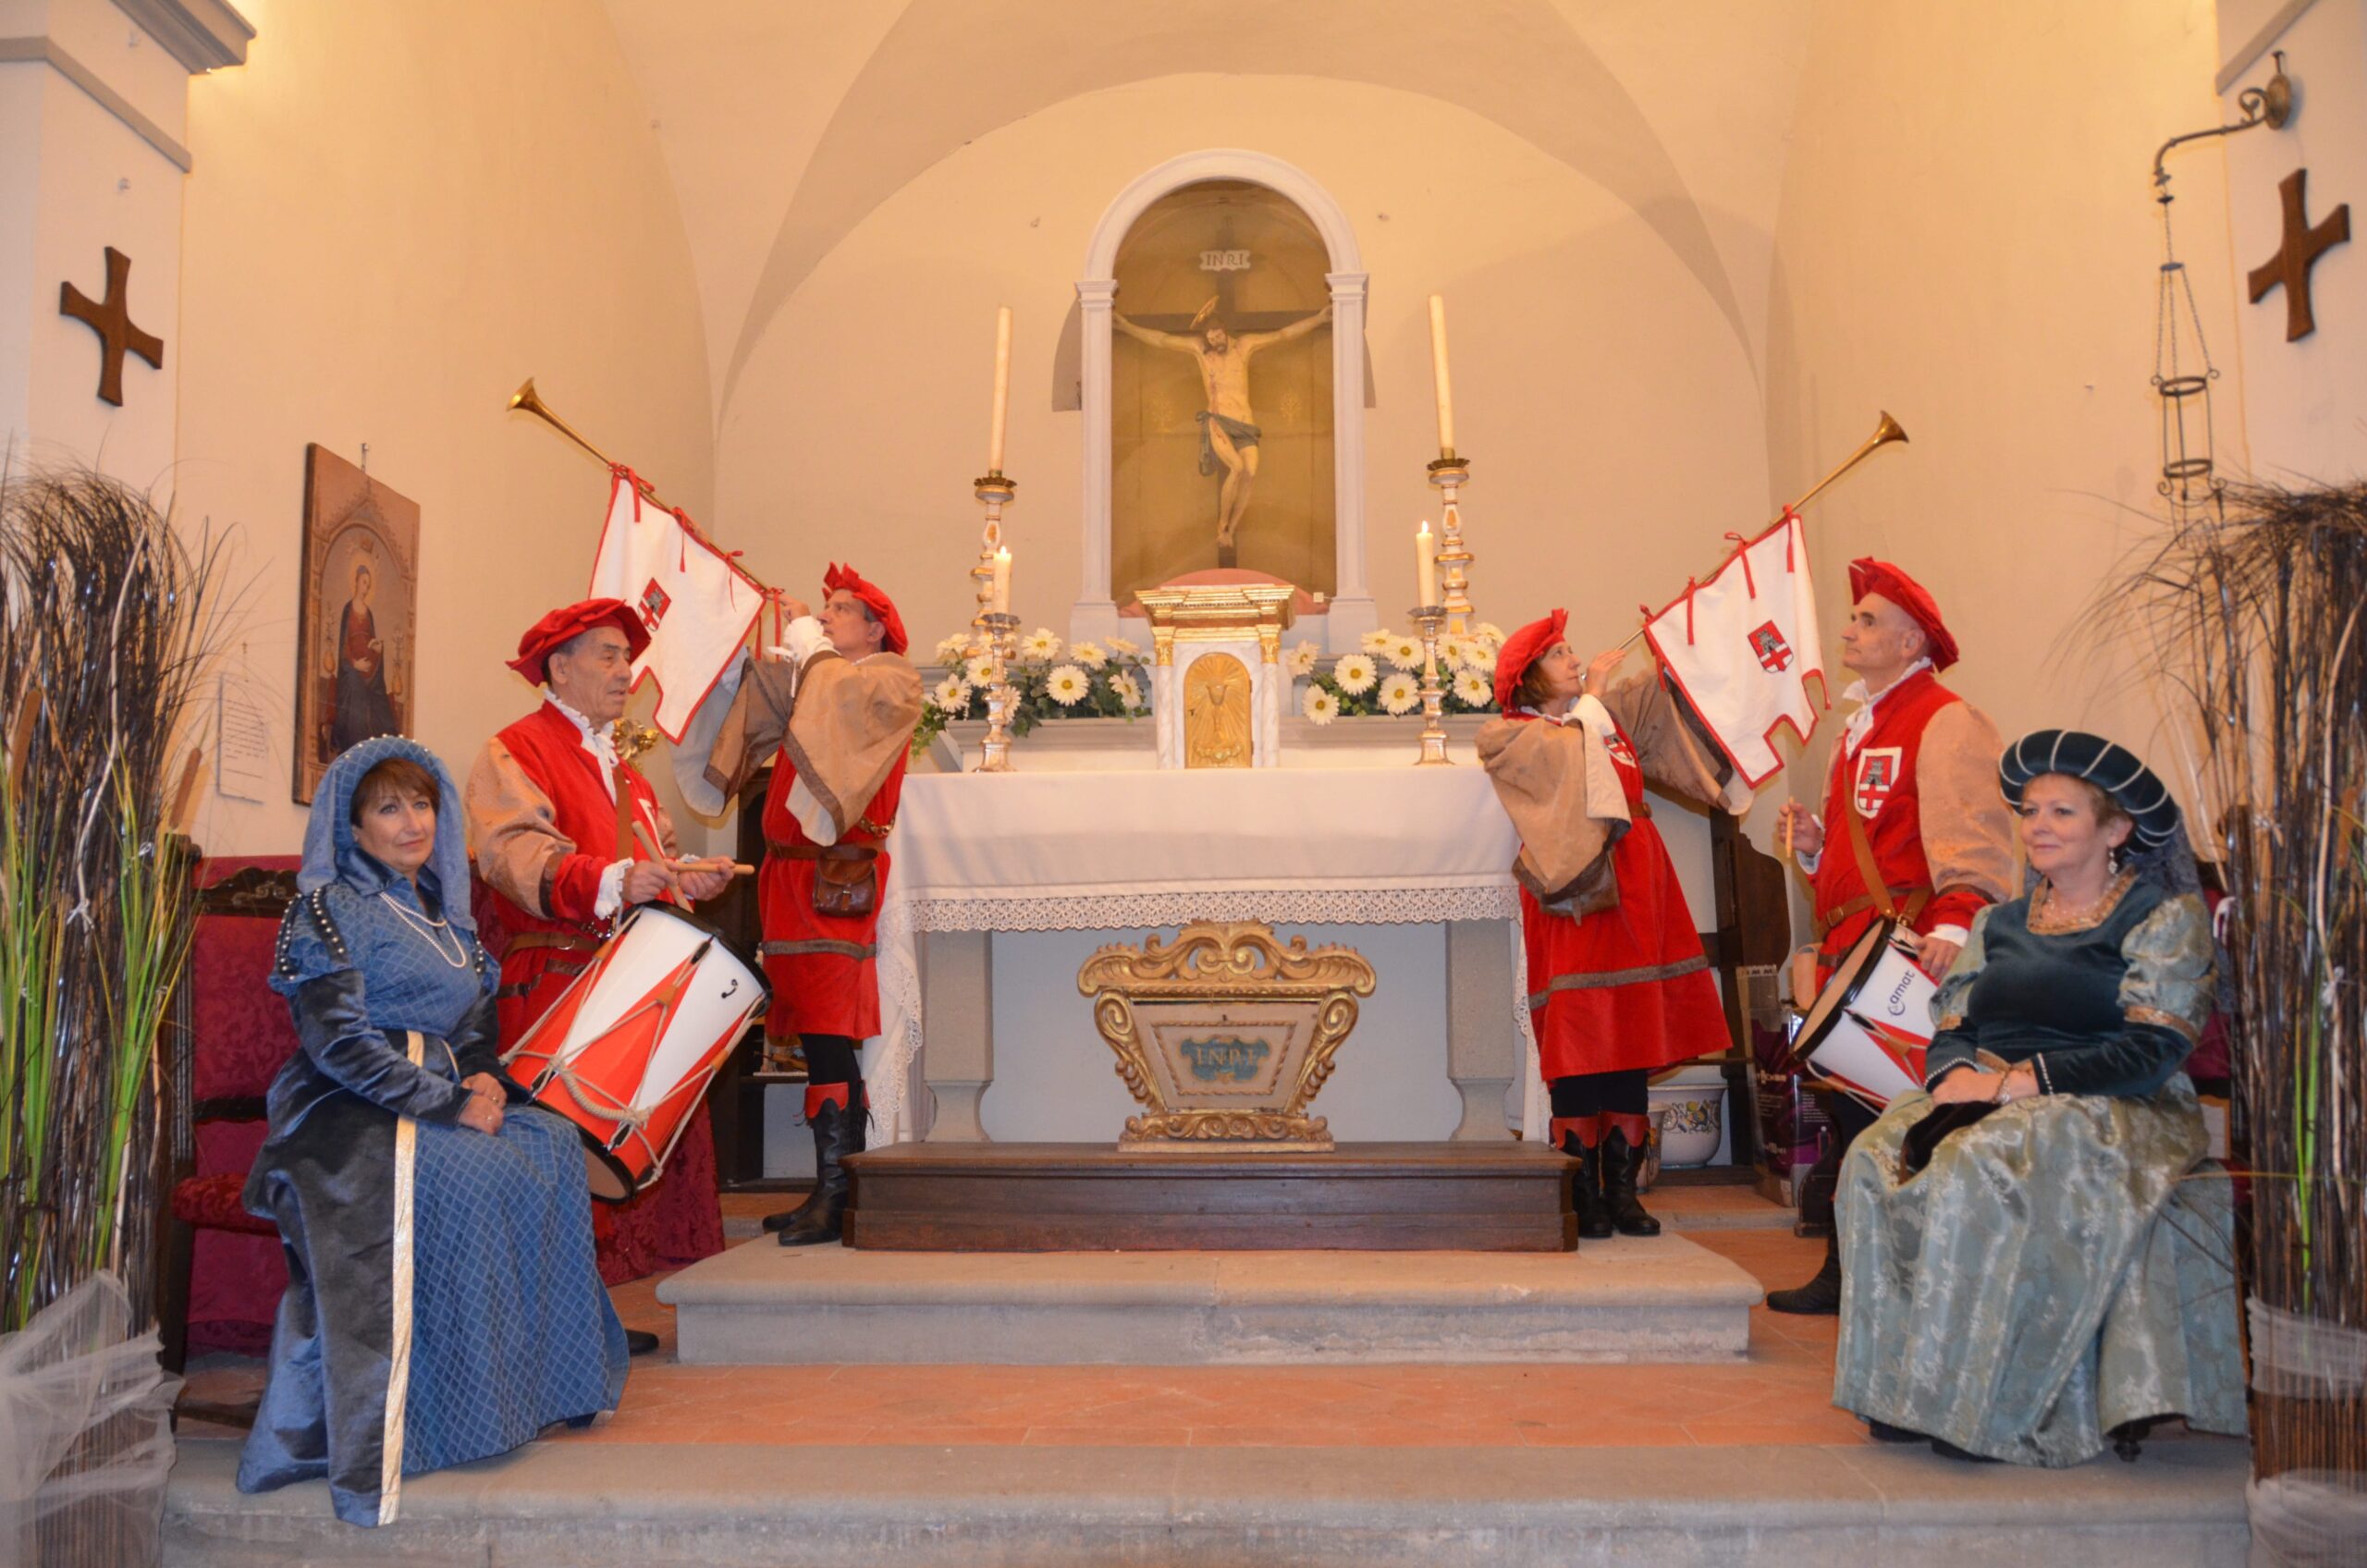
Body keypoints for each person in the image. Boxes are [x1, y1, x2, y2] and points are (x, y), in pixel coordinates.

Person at [239, 738, 627, 1528]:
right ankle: (438, 1414)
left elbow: (476, 1035)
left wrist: (483, 1078)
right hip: (349, 1107)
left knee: (549, 1145)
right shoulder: (330, 909)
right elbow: (338, 1044)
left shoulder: (447, 918)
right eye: (389, 807)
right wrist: (445, 1105)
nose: (411, 822)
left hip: (443, 1092)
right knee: (466, 1169)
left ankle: (528, 1393)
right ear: (353, 826)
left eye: (421, 804)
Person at [1833, 729, 2246, 1464]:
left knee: (1983, 1164)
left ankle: (1985, 1403)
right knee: (1870, 1157)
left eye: (2062, 813)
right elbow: (1954, 1022)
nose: (2037, 829)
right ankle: (1902, 1390)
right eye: (2029, 812)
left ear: (2116, 830)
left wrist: (2013, 1086)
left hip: (2117, 1104)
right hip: (1991, 1088)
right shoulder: (2000, 921)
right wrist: (1953, 1082)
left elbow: (2155, 1049)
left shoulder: (2160, 918)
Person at [466, 599, 733, 1326]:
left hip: (621, 989)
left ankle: (588, 1324)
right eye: (610, 656)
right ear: (560, 666)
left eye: (627, 657)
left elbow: (654, 866)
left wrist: (685, 877)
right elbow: (511, 853)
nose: (626, 672)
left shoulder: (630, 774)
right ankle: (553, 1329)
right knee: (558, 1168)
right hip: (557, 990)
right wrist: (611, 879)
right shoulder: (515, 750)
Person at [1767, 558, 2014, 1312]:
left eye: (1868, 620)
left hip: (1909, 952)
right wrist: (1814, 845)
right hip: (1856, 950)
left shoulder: (1945, 718)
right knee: (1851, 1118)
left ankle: (1909, 1279)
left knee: (1908, 1119)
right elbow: (1863, 851)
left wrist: (1955, 916)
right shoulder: (1859, 729)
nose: (1850, 629)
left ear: (1911, 643)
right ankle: (1853, 1275)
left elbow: (1975, 837)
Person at [1478, 610, 1752, 1239]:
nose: (1575, 661)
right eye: (1560, 655)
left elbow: (1666, 718)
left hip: (1635, 884)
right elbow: (1567, 775)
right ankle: (1583, 1194)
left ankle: (1624, 1193)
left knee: (1628, 1032)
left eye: (1574, 651)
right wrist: (1595, 700)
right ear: (1527, 681)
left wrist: (1685, 639)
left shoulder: (1602, 717)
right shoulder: (1510, 736)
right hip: (1572, 895)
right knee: (1580, 1042)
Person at [697, 564, 923, 1245]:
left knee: (830, 1036)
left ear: (877, 627)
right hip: (790, 880)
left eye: (842, 609)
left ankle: (838, 1194)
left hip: (834, 879)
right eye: (824, 609)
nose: (827, 618)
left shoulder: (887, 681)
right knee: (812, 1034)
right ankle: (823, 1189)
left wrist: (810, 646)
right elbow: (784, 720)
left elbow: (839, 709)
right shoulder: (824, 675)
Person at [1114, 298, 1332, 557]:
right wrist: (1126, 326)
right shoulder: (1200, 351)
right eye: (1209, 338)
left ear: (1224, 331)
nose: (1214, 342)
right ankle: (1221, 526)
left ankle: (1231, 529)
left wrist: (1319, 319)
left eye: (1217, 337)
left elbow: (1283, 335)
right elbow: (1161, 339)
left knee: (1250, 471)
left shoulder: (1245, 347)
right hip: (1218, 421)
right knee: (1237, 468)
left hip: (1245, 424)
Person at [328, 558, 400, 755]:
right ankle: (355, 747)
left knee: (378, 698)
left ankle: (384, 749)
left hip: (368, 665)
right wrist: (354, 664)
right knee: (354, 683)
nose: (366, 588)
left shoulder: (368, 613)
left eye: (369, 584)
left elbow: (371, 639)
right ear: (356, 581)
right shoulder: (348, 609)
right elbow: (344, 645)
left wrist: (376, 648)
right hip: (351, 667)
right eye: (364, 582)